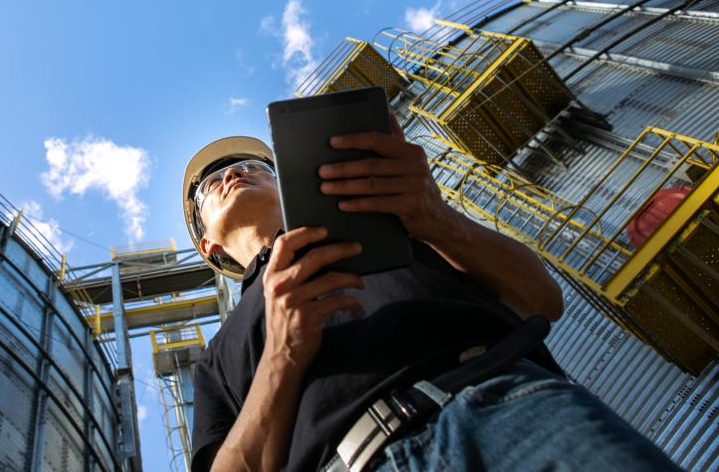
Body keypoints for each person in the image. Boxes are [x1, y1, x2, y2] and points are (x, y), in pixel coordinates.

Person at [181, 114, 679, 472]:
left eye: (252, 164)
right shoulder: (216, 359)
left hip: (510, 407)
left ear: (283, 184)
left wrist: (437, 218)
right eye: (208, 185)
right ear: (209, 245)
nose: (230, 174)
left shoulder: (388, 226)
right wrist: (281, 357)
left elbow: (542, 299)